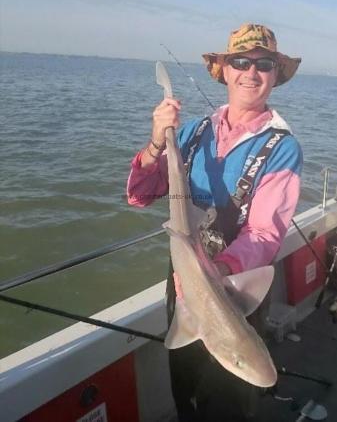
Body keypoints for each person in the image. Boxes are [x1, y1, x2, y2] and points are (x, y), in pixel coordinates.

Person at [127, 23, 303, 421]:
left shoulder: (282, 148)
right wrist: (158, 140)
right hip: (182, 284)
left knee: (227, 406)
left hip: (235, 292)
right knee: (184, 391)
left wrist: (216, 272)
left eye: (264, 64)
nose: (251, 71)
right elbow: (139, 196)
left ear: (276, 75)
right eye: (240, 61)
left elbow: (264, 233)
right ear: (224, 70)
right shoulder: (191, 132)